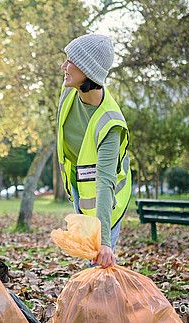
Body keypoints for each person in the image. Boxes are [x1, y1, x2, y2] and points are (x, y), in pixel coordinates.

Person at [56, 34, 132, 268]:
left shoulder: (111, 124)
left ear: (87, 71)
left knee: (100, 259)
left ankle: (109, 303)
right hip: (80, 186)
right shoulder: (70, 91)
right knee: (89, 255)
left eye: (70, 62)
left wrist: (106, 242)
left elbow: (105, 183)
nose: (63, 67)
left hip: (108, 197)